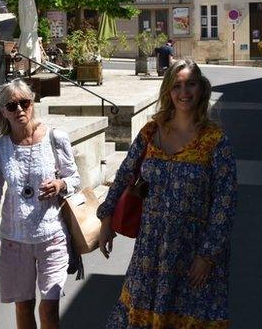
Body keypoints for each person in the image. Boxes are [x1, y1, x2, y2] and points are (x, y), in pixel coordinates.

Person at [97, 58, 237, 328]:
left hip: (194, 252)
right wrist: (106, 219)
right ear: (168, 92)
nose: (184, 93)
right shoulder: (151, 132)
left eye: (190, 85)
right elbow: (125, 174)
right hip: (151, 251)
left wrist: (207, 255)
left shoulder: (215, 140)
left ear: (201, 88)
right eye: (177, 86)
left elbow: (225, 203)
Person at [0, 79, 80, 329]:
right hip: (15, 239)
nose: (19, 109)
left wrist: (60, 185)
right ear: (3, 111)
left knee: (49, 306)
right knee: (23, 307)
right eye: (11, 105)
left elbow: (75, 178)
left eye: (24, 103)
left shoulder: (55, 137)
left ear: (32, 103)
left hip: (52, 235)